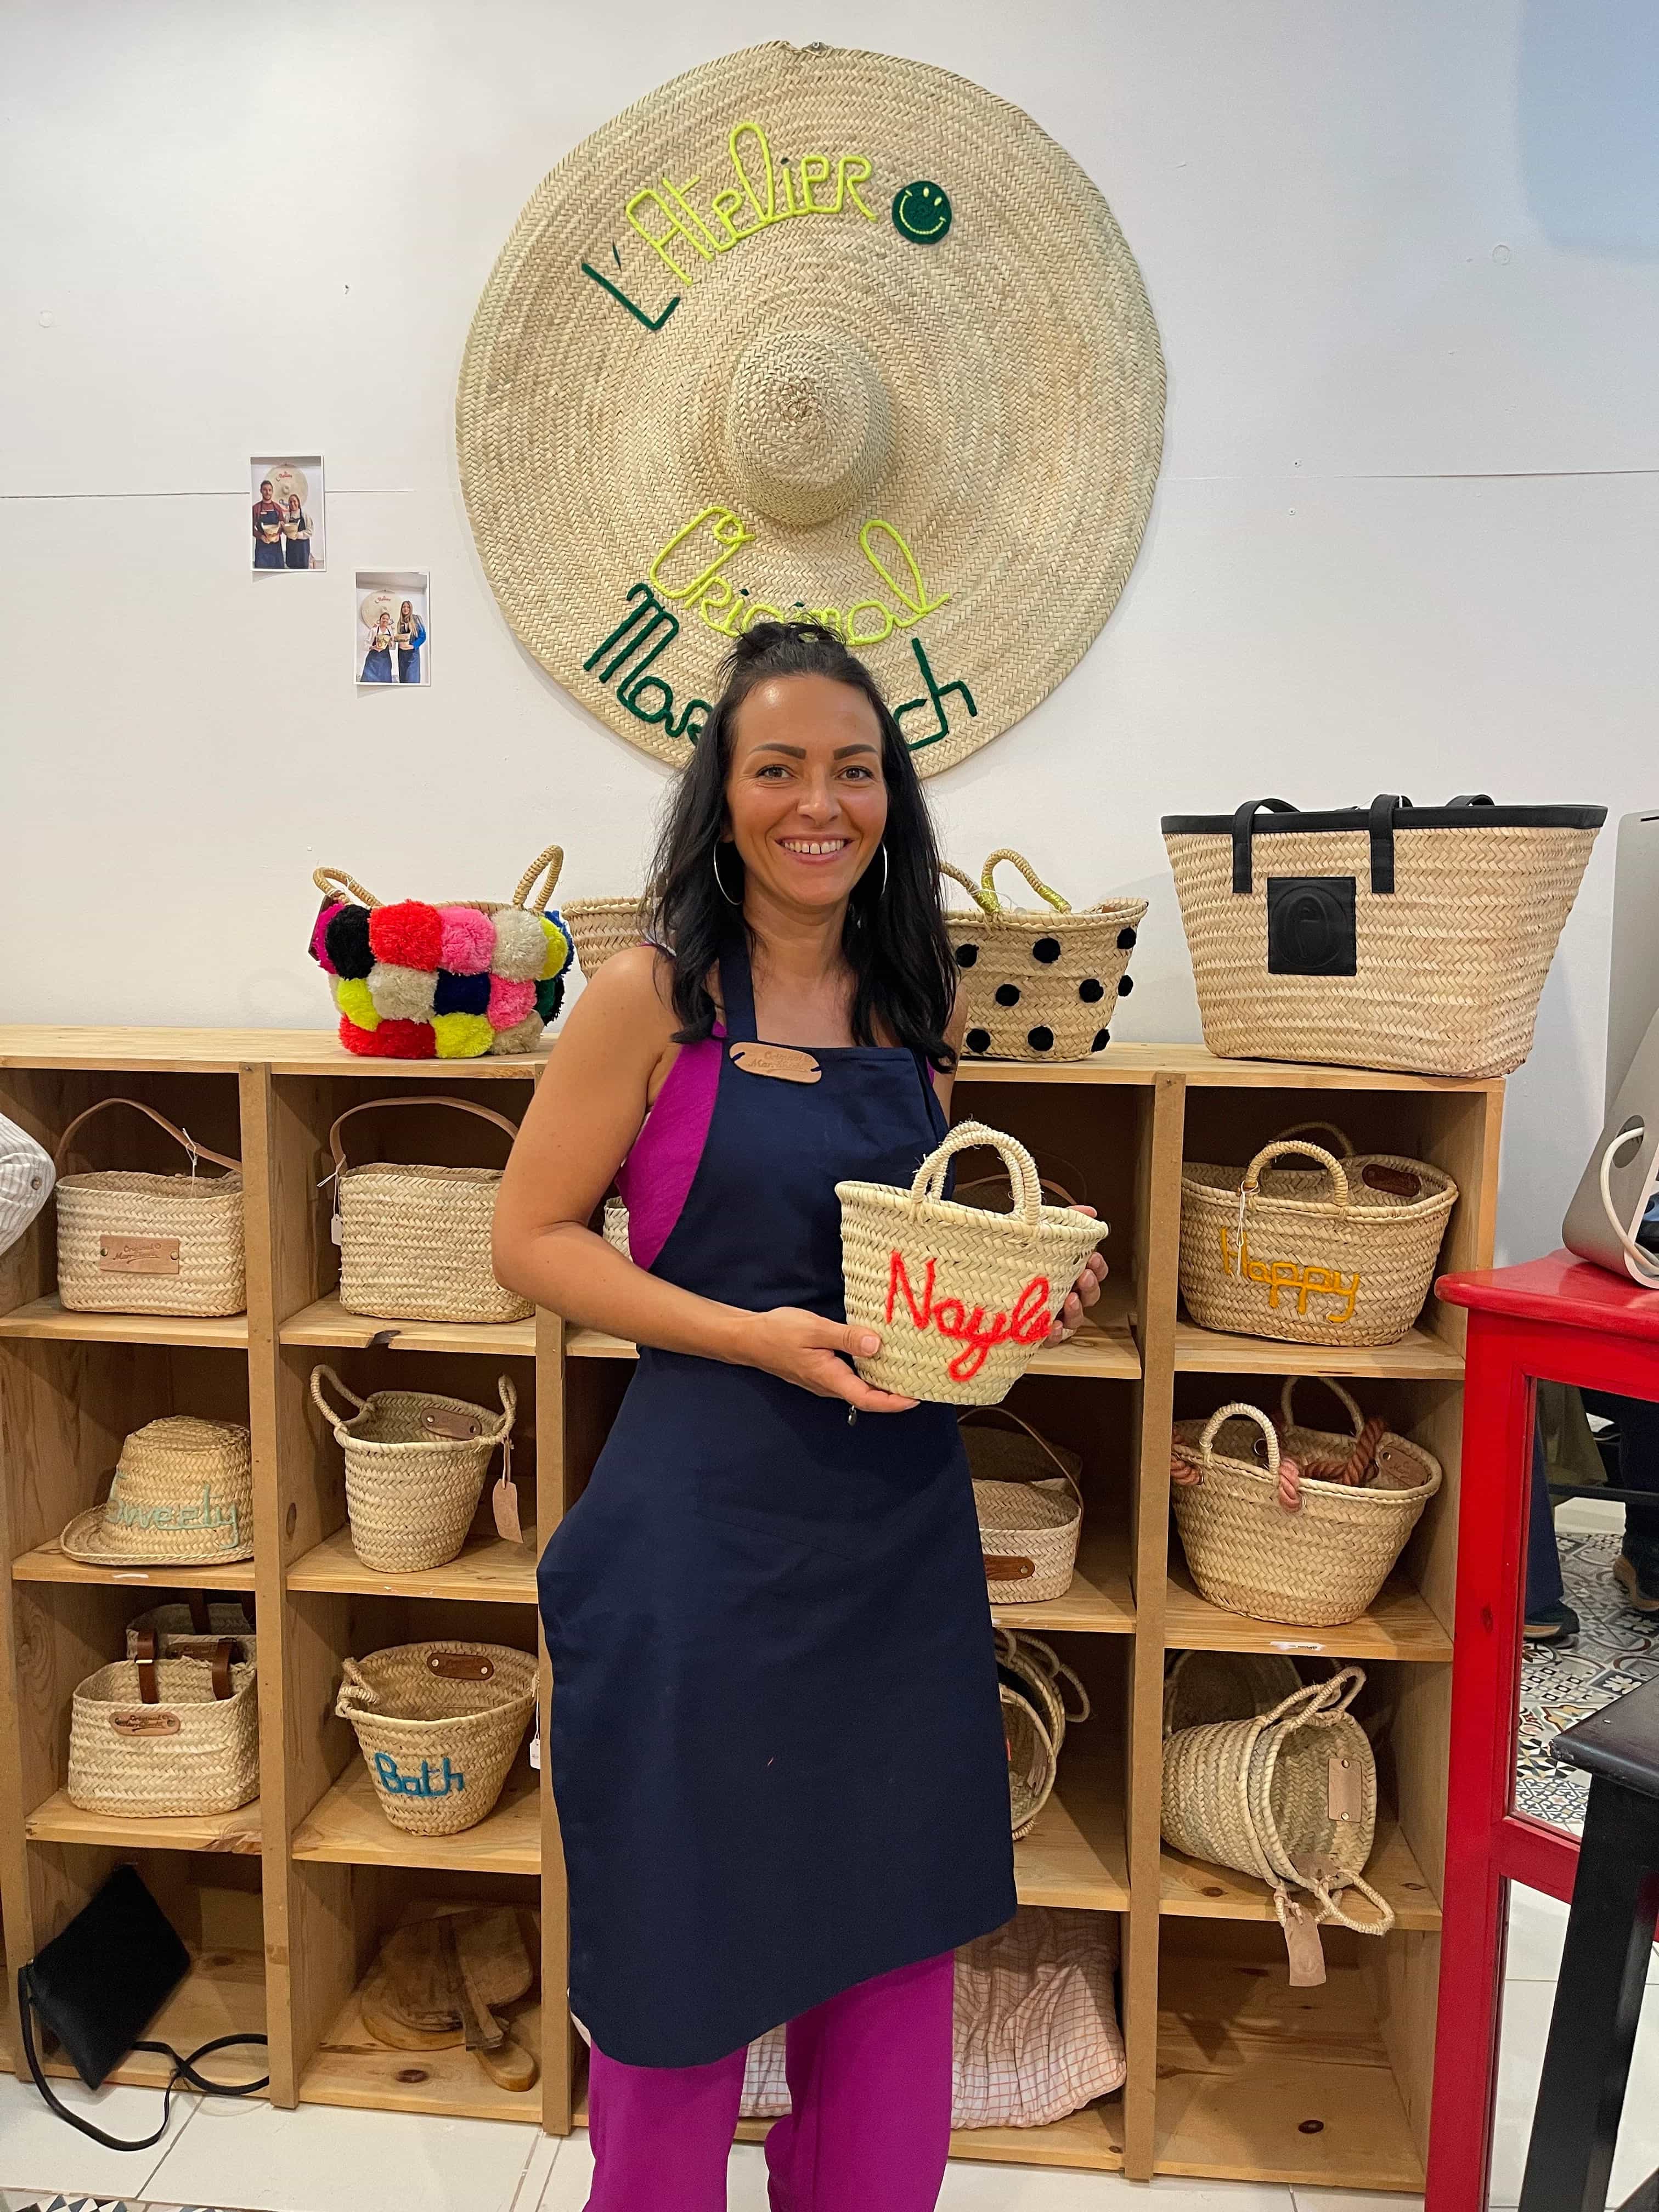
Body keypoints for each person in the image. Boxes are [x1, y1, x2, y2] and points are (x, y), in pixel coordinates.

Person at [494, 622, 1105, 2211]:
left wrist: (1026, 1292)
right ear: (725, 793)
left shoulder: (915, 1009)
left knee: (889, 1940)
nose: (817, 802)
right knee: (682, 1952)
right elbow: (533, 1239)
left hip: (891, 1540)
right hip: (699, 1540)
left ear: (890, 794)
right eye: (779, 768)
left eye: (854, 768)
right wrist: (749, 1341)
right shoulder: (650, 999)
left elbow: (916, 1269)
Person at [252, 478, 285, 569]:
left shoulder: (278, 508)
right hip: (262, 547)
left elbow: (282, 526)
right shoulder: (256, 508)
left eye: (270, 490)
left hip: (276, 547)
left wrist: (278, 535)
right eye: (265, 490)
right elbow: (251, 529)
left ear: (273, 492)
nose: (268, 492)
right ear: (261, 491)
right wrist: (261, 537)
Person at [395, 598, 425, 684]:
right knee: (403, 679)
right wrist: (396, 639)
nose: (406, 609)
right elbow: (401, 638)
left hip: (413, 655)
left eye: (408, 607)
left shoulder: (416, 619)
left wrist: (413, 646)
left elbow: (422, 636)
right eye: (404, 607)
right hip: (402, 655)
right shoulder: (400, 623)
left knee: (412, 679)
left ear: (411, 608)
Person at [359, 611, 393, 684]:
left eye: (387, 619)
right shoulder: (374, 630)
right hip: (373, 659)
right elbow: (365, 645)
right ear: (380, 620)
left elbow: (393, 647)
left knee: (385, 680)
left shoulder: (390, 632)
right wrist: (373, 647)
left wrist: (390, 642)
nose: (385, 620)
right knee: (369, 680)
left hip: (385, 660)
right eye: (383, 618)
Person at [282, 493, 312, 569]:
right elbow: (285, 530)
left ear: (298, 502)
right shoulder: (287, 517)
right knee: (292, 568)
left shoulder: (305, 516)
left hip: (303, 548)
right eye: (290, 502)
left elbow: (310, 531)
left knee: (303, 569)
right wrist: (284, 529)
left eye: (294, 501)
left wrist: (298, 535)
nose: (293, 504)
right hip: (291, 547)